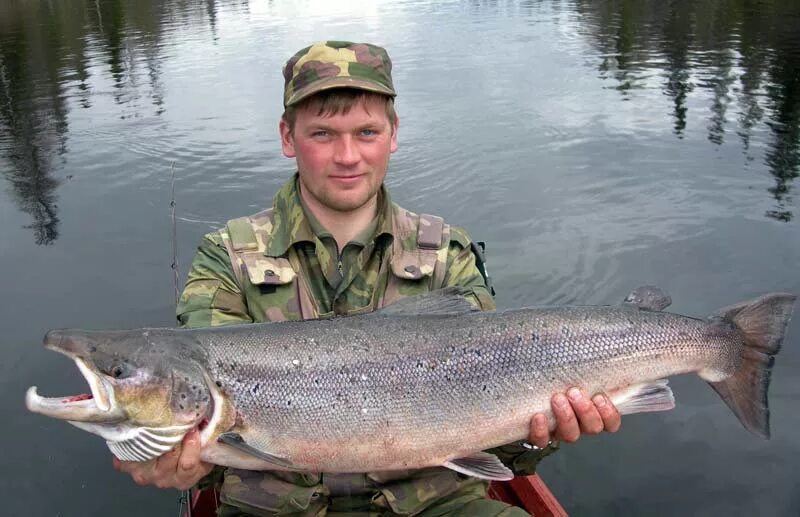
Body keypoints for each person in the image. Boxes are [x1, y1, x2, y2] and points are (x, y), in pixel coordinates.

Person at [113, 41, 621, 516]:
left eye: (366, 132)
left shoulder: (447, 253)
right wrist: (183, 464)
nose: (348, 156)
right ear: (288, 137)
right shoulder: (225, 257)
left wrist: (540, 435)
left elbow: (502, 442)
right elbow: (203, 429)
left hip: (439, 504)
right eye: (323, 134)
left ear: (393, 135)